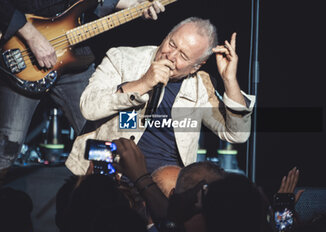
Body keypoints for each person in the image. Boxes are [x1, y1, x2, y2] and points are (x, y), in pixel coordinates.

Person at [0, 0, 165, 198]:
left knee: (103, 142)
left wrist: (135, 5)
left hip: (76, 61)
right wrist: (32, 36)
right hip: (24, 54)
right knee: (4, 153)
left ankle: (103, 215)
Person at [66, 16, 256, 175]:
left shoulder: (200, 86)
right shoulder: (122, 59)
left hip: (165, 186)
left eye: (183, 56)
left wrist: (229, 80)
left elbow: (236, 135)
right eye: (171, 44)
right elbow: (88, 108)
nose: (170, 56)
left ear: (197, 66)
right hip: (110, 174)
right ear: (167, 36)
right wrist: (143, 83)